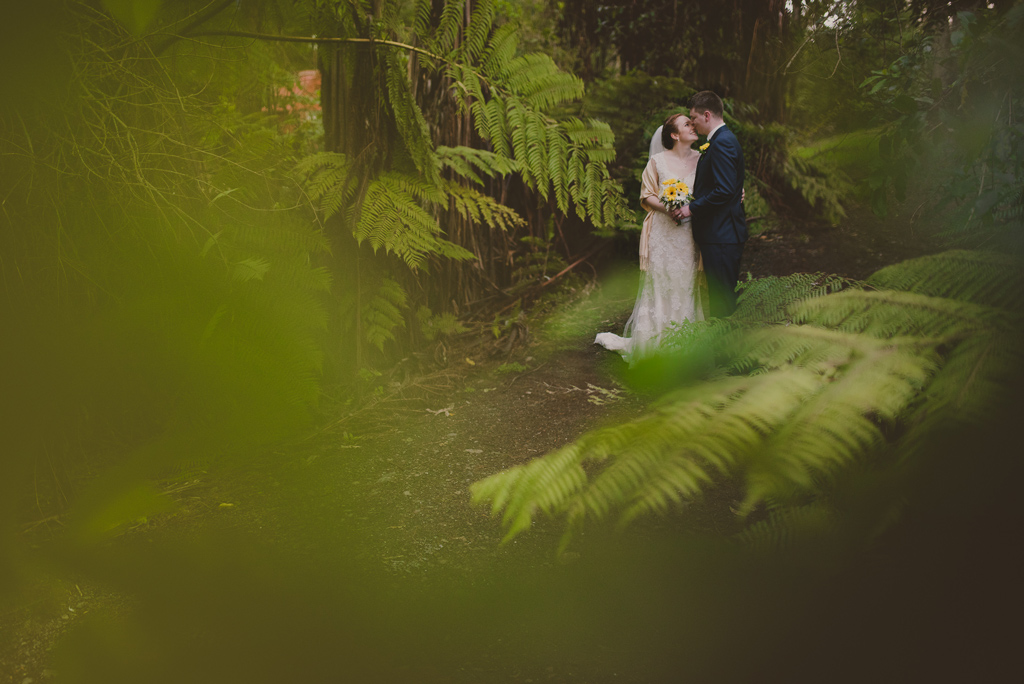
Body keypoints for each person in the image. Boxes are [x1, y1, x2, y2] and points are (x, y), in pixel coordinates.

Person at [594, 113, 706, 362]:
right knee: (660, 283)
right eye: (686, 124)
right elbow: (646, 195)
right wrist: (669, 207)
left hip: (688, 234)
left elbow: (713, 189)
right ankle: (653, 344)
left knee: (684, 283)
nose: (693, 126)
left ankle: (683, 346)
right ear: (674, 135)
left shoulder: (702, 160)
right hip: (662, 233)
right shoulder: (657, 161)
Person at [673, 91, 747, 318]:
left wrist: (690, 208)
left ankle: (726, 353)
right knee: (720, 298)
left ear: (706, 115)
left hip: (722, 235)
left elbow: (723, 190)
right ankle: (724, 351)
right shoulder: (720, 140)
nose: (692, 124)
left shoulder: (722, 142)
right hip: (721, 233)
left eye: (693, 118)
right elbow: (727, 186)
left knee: (722, 301)